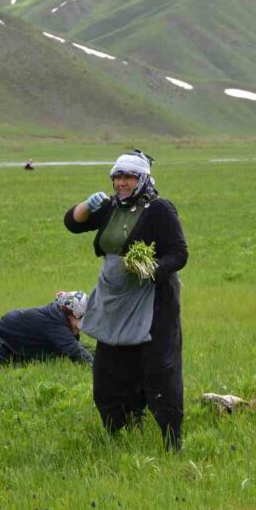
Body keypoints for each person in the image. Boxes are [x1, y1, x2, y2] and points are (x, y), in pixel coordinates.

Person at [64, 150, 188, 451]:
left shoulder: (159, 209)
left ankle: (172, 439)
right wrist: (86, 206)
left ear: (142, 179)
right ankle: (119, 429)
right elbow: (73, 223)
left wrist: (150, 268)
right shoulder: (109, 208)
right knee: (110, 368)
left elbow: (179, 253)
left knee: (158, 368)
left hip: (152, 301)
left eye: (128, 177)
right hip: (114, 300)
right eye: (117, 177)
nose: (121, 182)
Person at [0, 291, 92, 365]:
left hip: (15, 351)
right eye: (81, 318)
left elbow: (79, 347)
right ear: (70, 315)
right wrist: (96, 366)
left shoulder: (58, 319)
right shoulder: (54, 323)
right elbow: (75, 351)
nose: (82, 325)